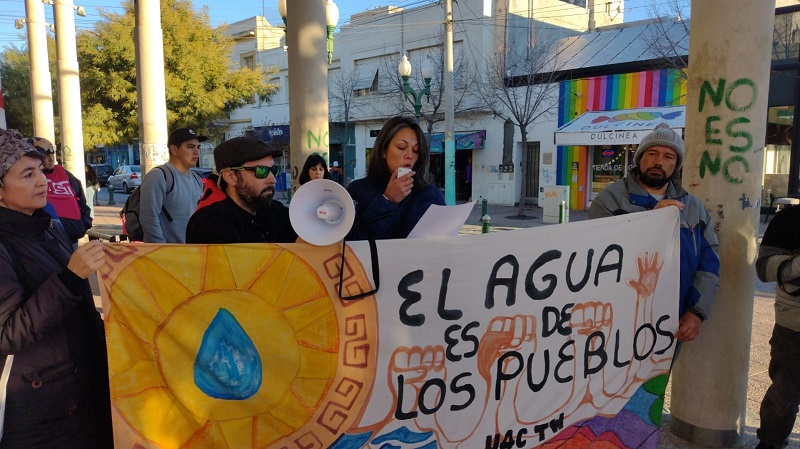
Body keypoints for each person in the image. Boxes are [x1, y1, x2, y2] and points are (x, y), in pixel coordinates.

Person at [0, 129, 113, 448]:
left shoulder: (49, 227)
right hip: (37, 409)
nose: (42, 181)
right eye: (27, 174)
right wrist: (70, 276)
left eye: (40, 171)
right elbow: (8, 333)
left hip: (80, 393)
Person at [588, 123, 720, 343]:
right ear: (639, 158)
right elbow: (595, 255)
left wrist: (696, 312)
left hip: (671, 321)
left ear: (676, 165)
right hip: (617, 321)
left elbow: (709, 263)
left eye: (669, 156)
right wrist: (651, 221)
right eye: (652, 153)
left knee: (657, 377)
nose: (659, 162)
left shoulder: (694, 208)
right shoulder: (610, 199)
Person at [346, 115, 445, 240]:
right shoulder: (358, 191)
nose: (410, 155)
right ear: (384, 150)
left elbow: (442, 245)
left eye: (416, 150)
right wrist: (388, 200)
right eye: (401, 147)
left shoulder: (430, 194)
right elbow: (351, 245)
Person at [186, 136, 297, 244]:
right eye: (261, 171)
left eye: (274, 170)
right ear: (231, 177)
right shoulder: (209, 224)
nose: (272, 179)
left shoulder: (277, 213)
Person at [754, 204, 800, 449]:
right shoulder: (789, 219)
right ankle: (771, 443)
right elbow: (763, 269)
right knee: (784, 398)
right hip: (794, 328)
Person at [140, 127, 205, 243]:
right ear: (174, 150)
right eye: (190, 147)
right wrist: (161, 250)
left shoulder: (196, 178)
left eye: (198, 147)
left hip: (193, 253)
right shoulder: (159, 176)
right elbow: (149, 217)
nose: (196, 152)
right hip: (168, 254)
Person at [27, 137, 92, 247]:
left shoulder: (64, 174)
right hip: (48, 241)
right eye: (45, 156)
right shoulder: (32, 178)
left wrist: (85, 223)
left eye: (52, 155)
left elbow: (81, 199)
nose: (51, 159)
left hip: (73, 237)